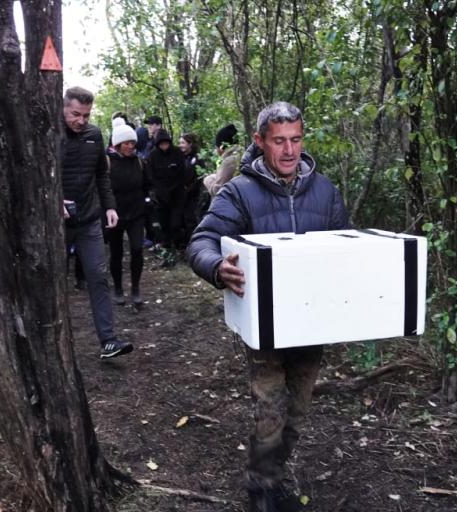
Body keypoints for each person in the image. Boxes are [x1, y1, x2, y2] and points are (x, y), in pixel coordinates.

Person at [187, 102, 350, 512]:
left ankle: (273, 476)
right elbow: (201, 241)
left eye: (295, 139)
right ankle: (260, 491)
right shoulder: (240, 191)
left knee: (297, 412)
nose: (290, 150)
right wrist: (216, 266)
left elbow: (347, 249)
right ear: (260, 142)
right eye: (279, 141)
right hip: (265, 324)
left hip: (313, 323)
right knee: (271, 407)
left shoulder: (326, 191)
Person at [61, 86, 133, 359]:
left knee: (98, 276)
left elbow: (101, 175)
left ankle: (108, 341)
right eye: (75, 114)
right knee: (54, 281)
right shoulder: (49, 133)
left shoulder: (94, 134)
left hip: (89, 218)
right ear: (64, 108)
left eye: (86, 115)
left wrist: (110, 206)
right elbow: (36, 175)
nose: (81, 120)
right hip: (55, 223)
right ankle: (52, 341)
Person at [107, 118, 148, 307]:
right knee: (116, 253)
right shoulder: (107, 163)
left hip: (136, 213)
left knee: (137, 250)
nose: (130, 146)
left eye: (132, 143)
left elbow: (148, 185)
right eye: (126, 143)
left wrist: (149, 203)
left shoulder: (140, 162)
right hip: (115, 215)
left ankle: (136, 289)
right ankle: (117, 288)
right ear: (117, 144)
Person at [145, 129, 187, 259]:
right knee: (163, 223)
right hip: (160, 196)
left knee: (176, 223)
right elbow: (150, 175)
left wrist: (173, 188)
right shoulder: (152, 156)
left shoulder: (177, 153)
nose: (164, 146)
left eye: (166, 143)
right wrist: (159, 191)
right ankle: (167, 246)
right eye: (161, 144)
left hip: (177, 195)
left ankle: (180, 246)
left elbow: (182, 173)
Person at [202, 123, 243, 197]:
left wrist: (208, 180)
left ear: (221, 146)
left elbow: (219, 190)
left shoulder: (230, 161)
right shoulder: (241, 155)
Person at [178, 133, 205, 243]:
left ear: (190, 144)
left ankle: (193, 244)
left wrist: (188, 190)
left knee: (190, 220)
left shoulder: (198, 158)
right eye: (180, 143)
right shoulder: (178, 157)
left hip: (192, 196)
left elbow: (199, 178)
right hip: (178, 195)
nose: (180, 145)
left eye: (183, 143)